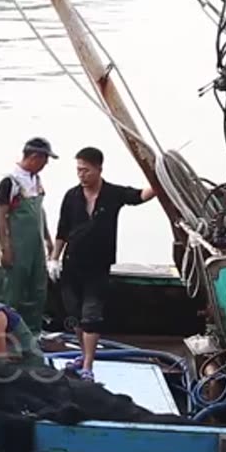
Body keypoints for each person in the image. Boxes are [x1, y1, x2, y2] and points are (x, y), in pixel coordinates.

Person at [54, 147, 156, 381]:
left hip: (98, 266)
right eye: (78, 170)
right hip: (72, 264)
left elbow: (141, 195)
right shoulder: (72, 196)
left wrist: (160, 180)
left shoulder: (112, 194)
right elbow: (62, 229)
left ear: (99, 169)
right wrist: (54, 257)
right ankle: (82, 355)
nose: (81, 175)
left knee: (91, 316)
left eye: (86, 170)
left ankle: (88, 365)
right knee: (75, 317)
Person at [0, 137, 58, 331]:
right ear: (35, 157)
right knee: (11, 292)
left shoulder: (36, 180)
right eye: (45, 159)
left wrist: (48, 239)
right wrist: (6, 248)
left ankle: (32, 336)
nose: (46, 164)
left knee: (36, 290)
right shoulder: (10, 182)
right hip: (16, 246)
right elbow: (0, 216)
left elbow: (40, 211)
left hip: (35, 246)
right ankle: (6, 337)